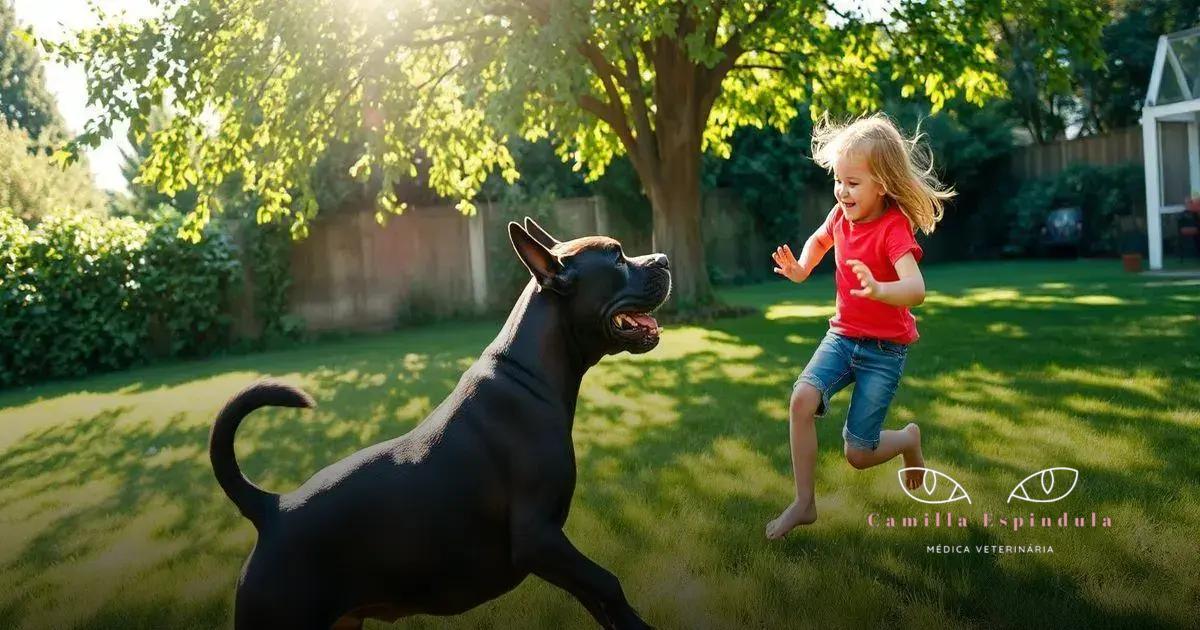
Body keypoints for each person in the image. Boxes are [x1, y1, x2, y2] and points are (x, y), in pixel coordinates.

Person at [765, 114, 952, 540]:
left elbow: (916, 289)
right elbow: (818, 240)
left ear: (882, 184)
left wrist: (879, 290)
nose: (842, 191)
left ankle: (907, 440)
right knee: (801, 400)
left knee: (858, 454)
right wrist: (801, 269)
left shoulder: (893, 228)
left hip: (884, 352)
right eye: (839, 180)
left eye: (853, 183)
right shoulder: (840, 214)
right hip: (843, 335)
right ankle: (804, 502)